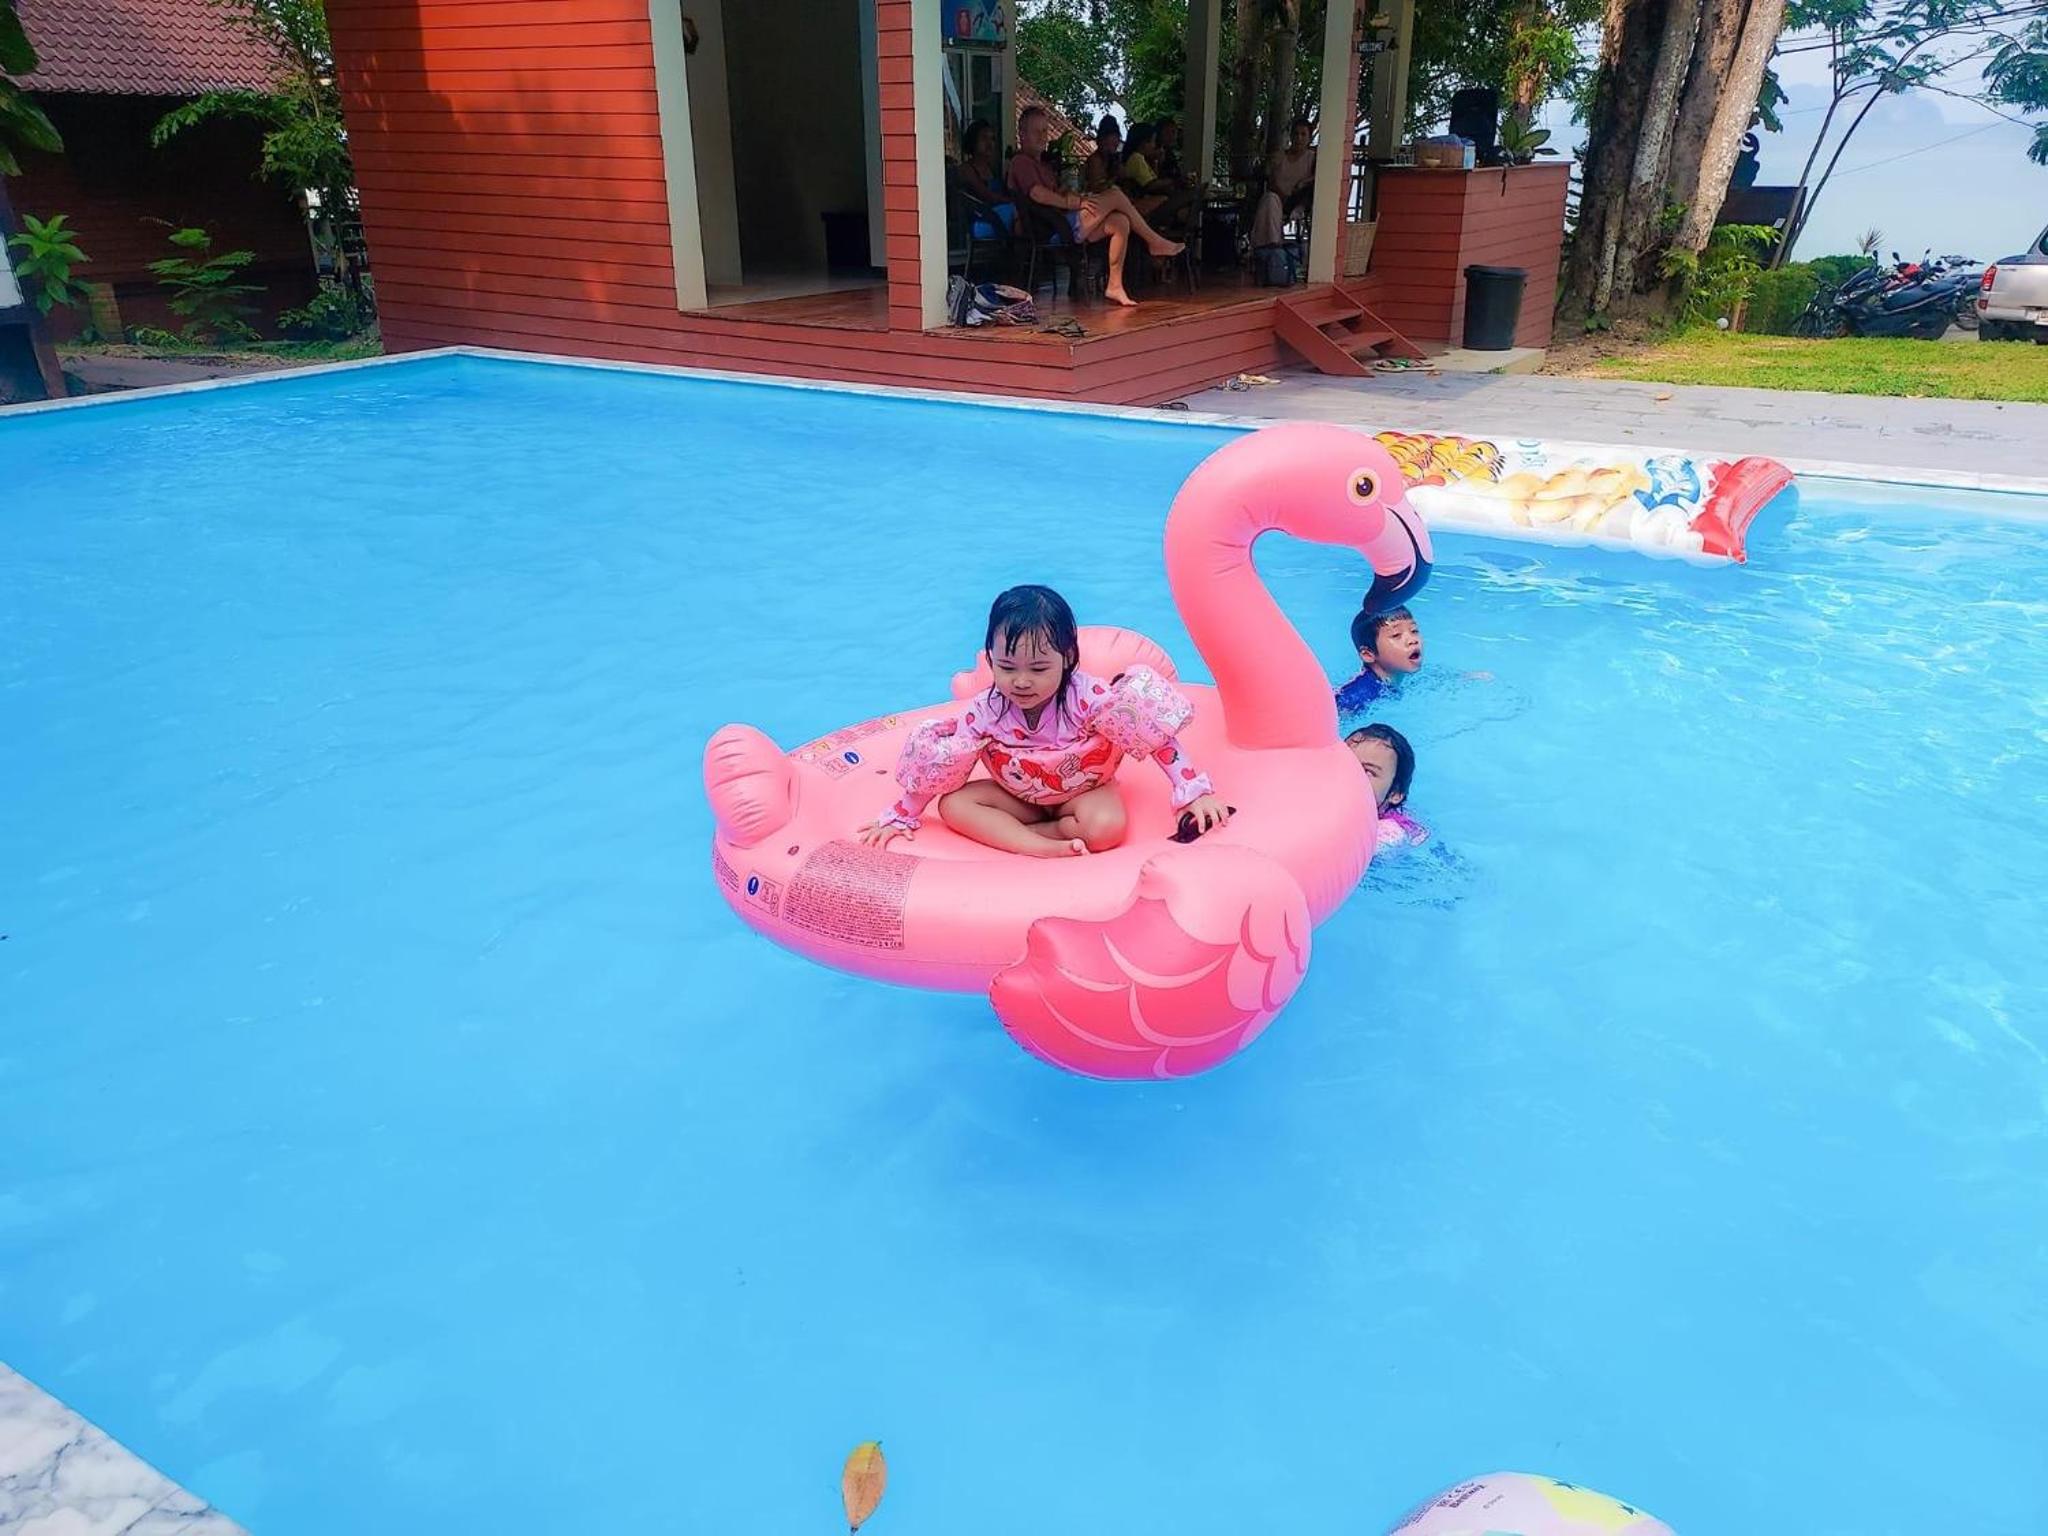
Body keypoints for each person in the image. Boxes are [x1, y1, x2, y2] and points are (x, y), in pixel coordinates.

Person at [858, 585, 1230, 857]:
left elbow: (1154, 736)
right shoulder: (986, 710)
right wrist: (901, 815)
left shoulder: (1090, 697)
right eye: (1007, 667)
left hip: (1086, 793)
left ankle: (1036, 834)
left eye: (1038, 669)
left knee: (1107, 828)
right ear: (992, 660)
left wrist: (1193, 792)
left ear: (1067, 658)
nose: (1021, 682)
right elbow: (944, 765)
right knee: (953, 805)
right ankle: (1036, 845)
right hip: (1017, 798)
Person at [1008, 105, 1187, 308]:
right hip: (1052, 228)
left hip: (1064, 222)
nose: (1042, 137)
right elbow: (1037, 193)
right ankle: (1153, 241)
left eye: (1044, 131)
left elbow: (1052, 193)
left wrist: (1069, 194)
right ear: (1022, 134)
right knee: (1116, 195)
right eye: (1036, 132)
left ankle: (1115, 285)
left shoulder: (1042, 166)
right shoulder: (1020, 162)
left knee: (1120, 222)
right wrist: (1071, 202)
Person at [1347, 724, 1427, 848]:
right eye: (1347, 764)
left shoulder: (1388, 834)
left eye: (1368, 771)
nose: (1351, 775)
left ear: (1395, 793)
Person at [1336, 604, 1424, 712]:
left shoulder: (1400, 679)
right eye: (1396, 635)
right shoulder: (1356, 698)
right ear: (1368, 654)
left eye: (1414, 631)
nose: (1413, 640)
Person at [1250, 117, 1317, 249]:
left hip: (1296, 200)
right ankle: (1269, 244)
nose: (1299, 138)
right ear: (1291, 136)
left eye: (1303, 134)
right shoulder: (1280, 156)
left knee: (1270, 202)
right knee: (1269, 200)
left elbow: (1318, 177)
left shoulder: (1312, 158)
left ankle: (1269, 245)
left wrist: (1304, 182)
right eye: (1296, 134)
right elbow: (1271, 180)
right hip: (1277, 197)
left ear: (1309, 137)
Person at [1121, 122, 1198, 230]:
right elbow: (1150, 185)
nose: (1154, 145)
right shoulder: (1136, 158)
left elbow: (1153, 178)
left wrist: (1156, 162)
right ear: (1143, 143)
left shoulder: (1142, 158)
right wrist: (1176, 181)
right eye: (1152, 141)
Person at [955, 119, 1012, 214]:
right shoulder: (966, 169)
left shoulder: (992, 168)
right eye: (984, 138)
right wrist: (1012, 202)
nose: (989, 143)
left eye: (992, 139)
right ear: (973, 141)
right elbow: (986, 195)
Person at [1083, 115, 1123, 194]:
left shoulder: (1112, 160)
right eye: (1112, 138)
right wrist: (1115, 177)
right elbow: (1095, 189)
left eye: (1117, 138)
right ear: (1102, 140)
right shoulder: (1095, 160)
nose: (1116, 141)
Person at [1157, 117, 1186, 183]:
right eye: (1167, 133)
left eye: (1174, 132)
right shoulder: (1154, 152)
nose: (1172, 136)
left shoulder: (1169, 152)